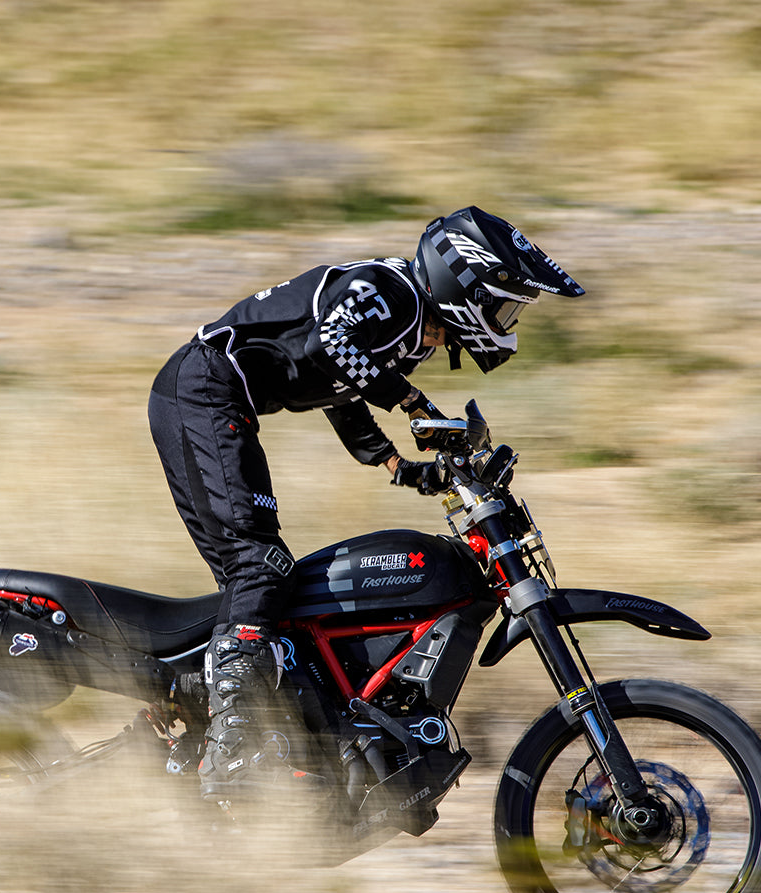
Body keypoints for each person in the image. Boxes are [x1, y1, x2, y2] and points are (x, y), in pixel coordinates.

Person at [147, 206, 584, 801]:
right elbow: (334, 345)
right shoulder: (388, 290)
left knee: (252, 574)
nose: (507, 322)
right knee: (257, 565)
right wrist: (411, 402)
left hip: (214, 400)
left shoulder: (407, 337)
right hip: (204, 392)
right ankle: (234, 739)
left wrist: (399, 468)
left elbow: (341, 392)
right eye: (504, 307)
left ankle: (242, 715)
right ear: (467, 285)